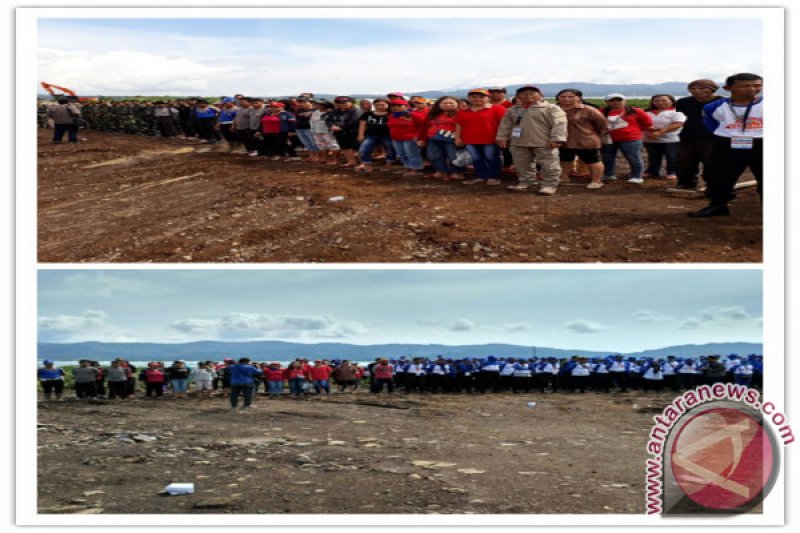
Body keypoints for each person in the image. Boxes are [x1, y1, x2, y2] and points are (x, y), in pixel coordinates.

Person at [689, 73, 763, 218]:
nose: (752, 89)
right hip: (727, 144)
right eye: (745, 86)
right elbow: (711, 124)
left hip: (762, 144)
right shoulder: (713, 107)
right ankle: (718, 206)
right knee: (719, 176)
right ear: (728, 88)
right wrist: (726, 133)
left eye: (757, 85)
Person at [496, 85, 567, 195]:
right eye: (524, 93)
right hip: (518, 142)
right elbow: (505, 125)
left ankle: (550, 185)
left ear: (540, 95)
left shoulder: (550, 108)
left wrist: (557, 138)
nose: (528, 95)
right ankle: (526, 182)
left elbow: (560, 124)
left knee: (549, 165)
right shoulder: (513, 110)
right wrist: (502, 137)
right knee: (521, 164)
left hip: (544, 142)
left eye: (532, 92)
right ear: (518, 96)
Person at [673, 79, 723, 190]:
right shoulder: (683, 102)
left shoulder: (722, 102)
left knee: (712, 162)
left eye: (701, 88)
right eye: (693, 88)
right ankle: (686, 182)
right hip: (688, 136)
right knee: (684, 161)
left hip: (713, 137)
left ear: (712, 89)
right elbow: (680, 116)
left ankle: (712, 185)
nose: (696, 91)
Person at [555, 88, 608, 189]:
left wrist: (593, 135)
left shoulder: (589, 110)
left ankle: (596, 181)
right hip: (564, 140)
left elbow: (602, 125)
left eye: (570, 97)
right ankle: (564, 178)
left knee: (593, 161)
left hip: (586, 140)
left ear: (578, 98)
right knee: (565, 160)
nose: (566, 99)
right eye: (563, 96)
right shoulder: (554, 109)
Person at [454, 89, 507, 186]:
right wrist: (457, 138)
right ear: (469, 98)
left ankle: (493, 177)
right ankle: (481, 176)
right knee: (476, 159)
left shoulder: (497, 109)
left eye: (481, 97)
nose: (477, 99)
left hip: (490, 139)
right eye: (474, 97)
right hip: (469, 140)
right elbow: (459, 125)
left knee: (491, 158)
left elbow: (504, 124)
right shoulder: (463, 112)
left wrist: (503, 137)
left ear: (488, 98)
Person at [600, 93, 652, 184]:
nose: (615, 102)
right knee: (607, 157)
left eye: (619, 100)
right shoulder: (601, 111)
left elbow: (647, 123)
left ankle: (637, 176)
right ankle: (609, 174)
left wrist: (635, 132)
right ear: (606, 102)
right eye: (612, 100)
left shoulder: (636, 111)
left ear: (624, 101)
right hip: (608, 139)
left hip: (631, 139)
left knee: (633, 157)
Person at [418, 96, 465, 180]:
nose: (448, 105)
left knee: (453, 156)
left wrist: (461, 138)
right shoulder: (433, 114)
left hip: (451, 139)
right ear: (439, 104)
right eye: (445, 103)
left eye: (451, 103)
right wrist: (422, 139)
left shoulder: (461, 114)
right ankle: (440, 172)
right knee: (434, 155)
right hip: (433, 138)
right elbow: (424, 127)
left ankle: (457, 173)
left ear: (457, 104)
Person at [643, 95, 686, 180]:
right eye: (656, 100)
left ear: (672, 101)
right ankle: (652, 171)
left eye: (664, 100)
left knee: (672, 157)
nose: (660, 102)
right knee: (653, 156)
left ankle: (672, 172)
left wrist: (660, 132)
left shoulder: (677, 112)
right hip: (650, 139)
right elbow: (640, 122)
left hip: (671, 139)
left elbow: (678, 124)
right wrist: (649, 129)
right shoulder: (646, 112)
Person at [386, 99, 425, 177]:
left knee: (412, 154)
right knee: (401, 154)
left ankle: (415, 169)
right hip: (396, 138)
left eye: (399, 106)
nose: (396, 108)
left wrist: (421, 138)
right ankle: (407, 168)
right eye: (393, 106)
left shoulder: (414, 115)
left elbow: (423, 126)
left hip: (410, 138)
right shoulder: (391, 116)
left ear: (406, 106)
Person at [356, 98, 396, 172]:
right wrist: (360, 135)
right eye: (377, 105)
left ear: (388, 105)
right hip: (371, 135)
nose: (379, 106)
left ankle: (388, 165)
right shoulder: (367, 114)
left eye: (382, 105)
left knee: (391, 151)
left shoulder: (392, 115)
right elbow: (362, 125)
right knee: (363, 150)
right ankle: (367, 165)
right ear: (374, 105)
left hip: (387, 136)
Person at [327, 96, 362, 167]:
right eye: (338, 102)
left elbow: (353, 121)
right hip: (339, 132)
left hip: (353, 132)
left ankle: (363, 163)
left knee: (358, 148)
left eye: (344, 102)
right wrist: (332, 126)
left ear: (351, 102)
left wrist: (340, 127)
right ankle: (351, 162)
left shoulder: (356, 110)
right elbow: (328, 120)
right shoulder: (335, 111)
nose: (341, 104)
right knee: (345, 147)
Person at [310, 100, 340, 165]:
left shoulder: (331, 112)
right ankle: (324, 159)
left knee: (333, 145)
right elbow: (312, 121)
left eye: (319, 104)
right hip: (316, 131)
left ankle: (335, 160)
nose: (316, 105)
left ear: (324, 105)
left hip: (327, 131)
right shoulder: (315, 112)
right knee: (321, 145)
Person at [293, 97, 320, 162]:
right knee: (306, 143)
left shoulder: (315, 110)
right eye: (300, 102)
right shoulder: (299, 110)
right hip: (299, 128)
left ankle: (317, 156)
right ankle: (311, 155)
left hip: (310, 128)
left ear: (310, 102)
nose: (302, 104)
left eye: (304, 102)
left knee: (314, 143)